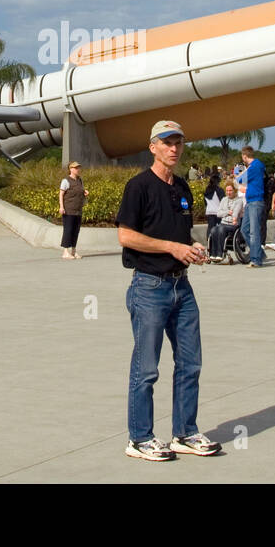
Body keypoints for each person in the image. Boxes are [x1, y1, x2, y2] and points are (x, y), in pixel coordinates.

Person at [116, 120, 219, 462]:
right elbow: (126, 237)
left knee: (190, 363)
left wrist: (191, 247)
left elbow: (179, 233)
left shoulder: (183, 188)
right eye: (167, 143)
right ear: (153, 147)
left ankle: (185, 433)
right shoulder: (138, 187)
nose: (174, 148)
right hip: (149, 288)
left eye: (178, 143)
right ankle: (140, 438)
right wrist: (171, 248)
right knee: (146, 369)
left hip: (182, 287)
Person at [237, 145, 267, 267]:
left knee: (254, 232)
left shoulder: (254, 167)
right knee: (244, 229)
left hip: (255, 201)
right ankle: (259, 253)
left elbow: (239, 180)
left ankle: (256, 259)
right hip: (250, 201)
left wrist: (242, 171)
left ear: (245, 156)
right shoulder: (254, 166)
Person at [58, 160, 89, 259]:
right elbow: (61, 194)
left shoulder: (80, 180)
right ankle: (65, 252)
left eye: (78, 167)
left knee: (76, 230)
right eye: (76, 168)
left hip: (78, 210)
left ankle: (73, 251)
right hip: (68, 209)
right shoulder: (65, 181)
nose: (78, 169)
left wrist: (85, 192)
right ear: (71, 169)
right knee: (68, 230)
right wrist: (61, 207)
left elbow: (80, 190)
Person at [207, 182, 244, 262]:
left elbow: (236, 212)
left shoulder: (239, 201)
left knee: (221, 229)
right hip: (223, 223)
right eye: (227, 191)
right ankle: (213, 254)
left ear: (235, 190)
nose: (228, 192)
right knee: (213, 229)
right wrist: (227, 212)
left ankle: (220, 254)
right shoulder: (224, 200)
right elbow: (218, 214)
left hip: (233, 225)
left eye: (230, 190)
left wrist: (234, 217)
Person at [202, 171, 223, 241]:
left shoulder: (207, 190)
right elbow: (223, 201)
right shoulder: (219, 190)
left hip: (209, 212)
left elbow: (205, 202)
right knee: (219, 229)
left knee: (210, 228)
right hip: (218, 212)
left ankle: (208, 243)